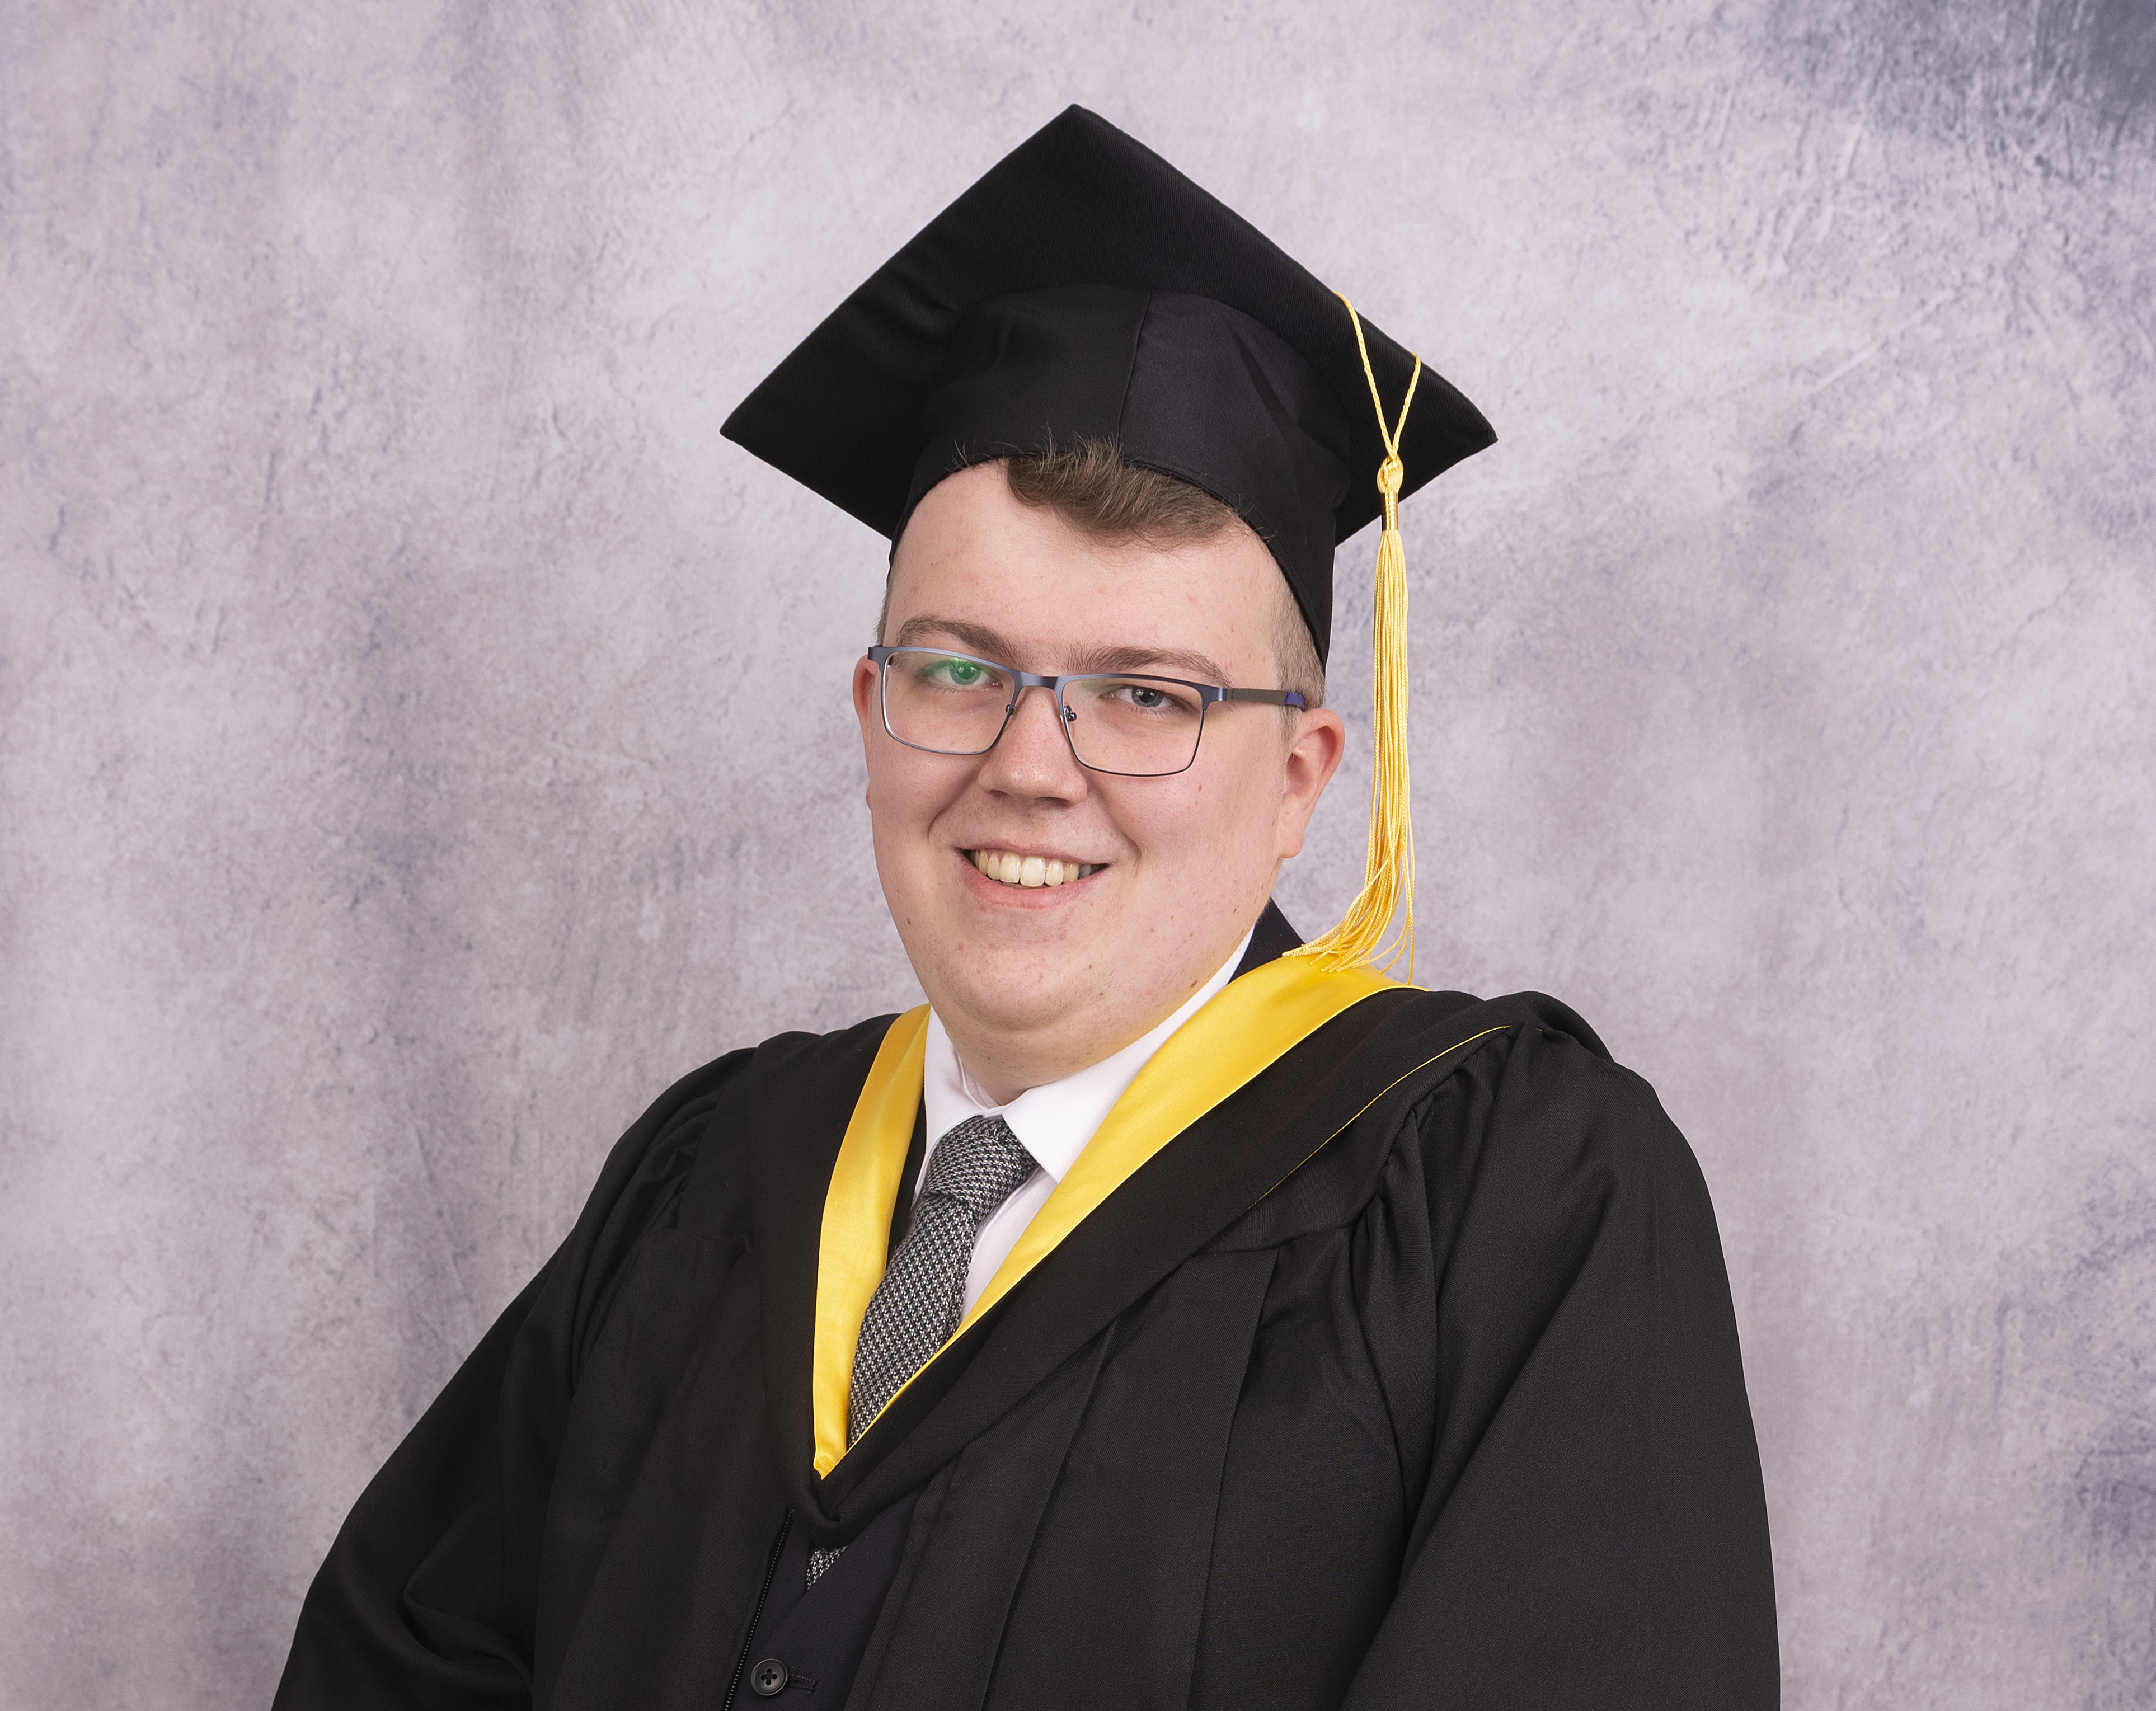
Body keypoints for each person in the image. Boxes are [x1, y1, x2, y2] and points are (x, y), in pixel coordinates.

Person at [273, 107, 1778, 1711]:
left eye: (1146, 693)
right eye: (959, 668)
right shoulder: (709, 1175)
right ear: (871, 708)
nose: (1029, 766)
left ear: (1299, 776)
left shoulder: (1516, 1201)